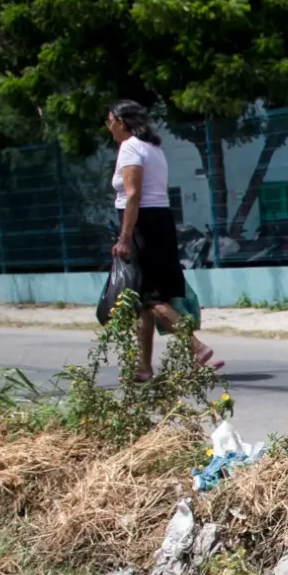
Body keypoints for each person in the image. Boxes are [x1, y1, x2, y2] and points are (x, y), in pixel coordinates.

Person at [106, 101, 217, 378]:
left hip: (143, 225)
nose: (108, 127)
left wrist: (124, 237)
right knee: (145, 300)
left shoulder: (130, 147)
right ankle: (143, 367)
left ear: (122, 121)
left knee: (149, 297)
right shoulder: (153, 149)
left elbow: (133, 195)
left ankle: (197, 347)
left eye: (110, 121)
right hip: (161, 221)